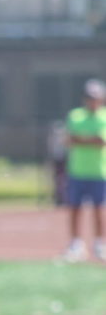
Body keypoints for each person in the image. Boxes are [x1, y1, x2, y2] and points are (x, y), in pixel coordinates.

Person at [62, 78, 106, 262]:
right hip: (77, 172)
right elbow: (69, 140)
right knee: (74, 209)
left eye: (96, 97)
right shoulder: (75, 116)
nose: (92, 100)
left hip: (99, 172)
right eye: (89, 97)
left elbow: (101, 141)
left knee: (99, 210)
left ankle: (99, 245)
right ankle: (76, 245)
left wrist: (82, 139)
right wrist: (90, 139)